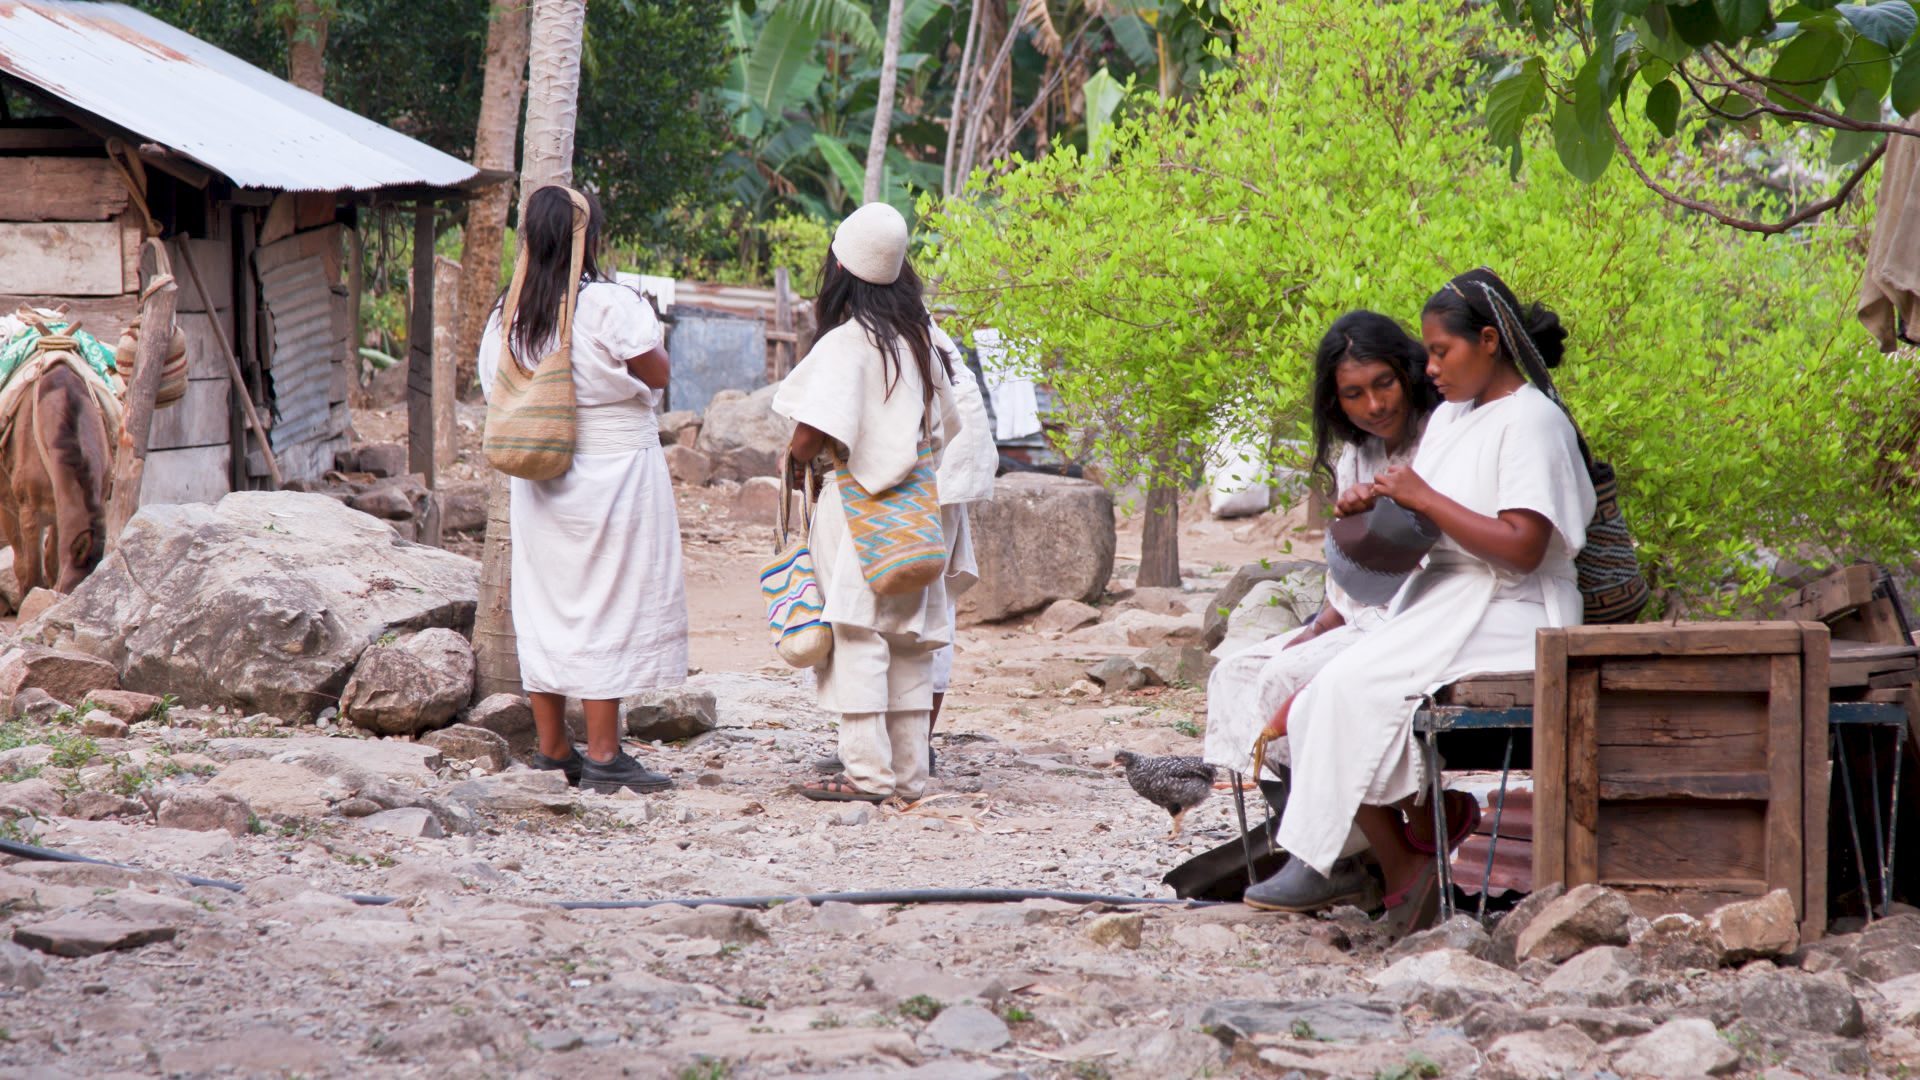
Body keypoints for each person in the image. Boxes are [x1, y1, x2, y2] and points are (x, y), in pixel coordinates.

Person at [1254, 267, 1596, 933]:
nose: (1429, 368)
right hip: (1446, 598)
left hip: (1517, 608)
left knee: (1349, 688)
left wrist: (1424, 499)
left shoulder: (1532, 420)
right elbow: (1423, 522)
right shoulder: (1452, 419)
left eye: (1441, 351)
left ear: (1489, 341)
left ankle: (1329, 858)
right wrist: (1371, 508)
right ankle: (1401, 867)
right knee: (1321, 692)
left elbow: (1524, 547)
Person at [1197, 311, 1439, 911]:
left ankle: (1330, 856)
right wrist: (1322, 622)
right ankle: (1333, 853)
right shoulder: (1357, 453)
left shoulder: (1440, 439)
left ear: (1408, 372)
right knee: (1237, 673)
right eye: (1354, 394)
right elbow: (1354, 566)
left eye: (1384, 384)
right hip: (1359, 616)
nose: (1374, 405)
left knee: (1288, 679)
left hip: (1417, 615)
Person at [773, 203, 992, 803]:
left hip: (856, 512)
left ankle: (866, 776)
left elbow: (808, 435)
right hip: (917, 512)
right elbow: (947, 429)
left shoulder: (846, 344)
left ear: (841, 268)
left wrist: (796, 461)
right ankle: (910, 776)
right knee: (909, 642)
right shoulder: (922, 341)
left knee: (858, 637)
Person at [478, 185, 687, 794]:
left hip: (542, 470)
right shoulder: (610, 304)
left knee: (545, 604)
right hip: (616, 469)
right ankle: (603, 755)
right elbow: (658, 373)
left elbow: (494, 387)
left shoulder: (506, 313)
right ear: (588, 239)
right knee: (609, 601)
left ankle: (553, 750)